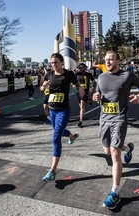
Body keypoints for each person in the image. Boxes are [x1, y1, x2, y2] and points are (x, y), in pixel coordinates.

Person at [93, 51, 139, 209]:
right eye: (106, 60)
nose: (108, 62)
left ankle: (115, 192)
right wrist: (96, 97)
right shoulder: (101, 77)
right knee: (107, 151)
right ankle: (128, 147)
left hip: (119, 118)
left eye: (111, 59)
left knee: (115, 152)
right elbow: (98, 94)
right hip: (104, 118)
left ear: (118, 61)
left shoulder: (127, 75)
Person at [40, 53, 85, 182]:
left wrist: (80, 89)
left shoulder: (69, 74)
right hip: (52, 110)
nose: (54, 65)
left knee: (56, 138)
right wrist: (44, 86)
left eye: (56, 62)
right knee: (58, 131)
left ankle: (52, 171)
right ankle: (71, 136)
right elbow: (42, 88)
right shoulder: (49, 75)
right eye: (52, 63)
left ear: (62, 62)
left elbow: (76, 83)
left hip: (63, 111)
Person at [76, 63, 96, 127]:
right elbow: (73, 82)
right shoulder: (77, 74)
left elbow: (94, 81)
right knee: (81, 106)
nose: (81, 69)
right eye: (80, 68)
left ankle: (80, 121)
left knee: (82, 105)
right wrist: (74, 85)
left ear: (85, 68)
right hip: (78, 91)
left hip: (85, 91)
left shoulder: (88, 74)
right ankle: (88, 100)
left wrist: (92, 87)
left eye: (82, 68)